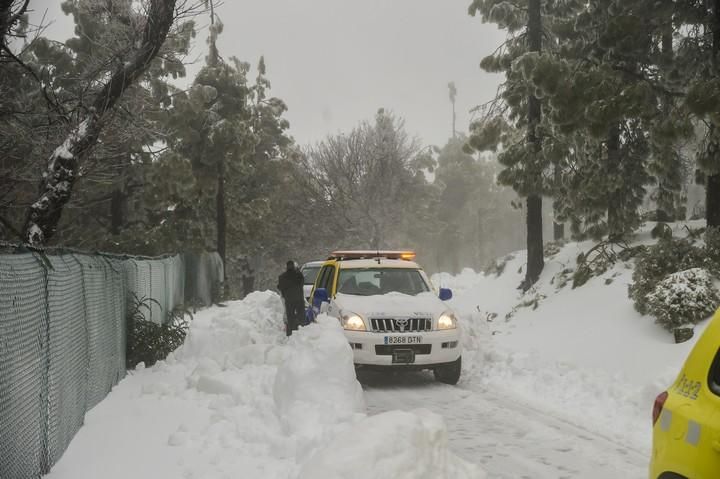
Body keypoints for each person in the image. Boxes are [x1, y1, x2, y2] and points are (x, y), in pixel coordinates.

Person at [277, 260, 305, 336]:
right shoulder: (299, 275)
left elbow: (280, 287)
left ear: (286, 267)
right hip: (299, 299)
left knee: (290, 317)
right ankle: (302, 331)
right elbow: (302, 283)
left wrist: (285, 293)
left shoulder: (282, 277)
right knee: (301, 315)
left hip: (289, 300)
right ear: (293, 266)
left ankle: (290, 333)